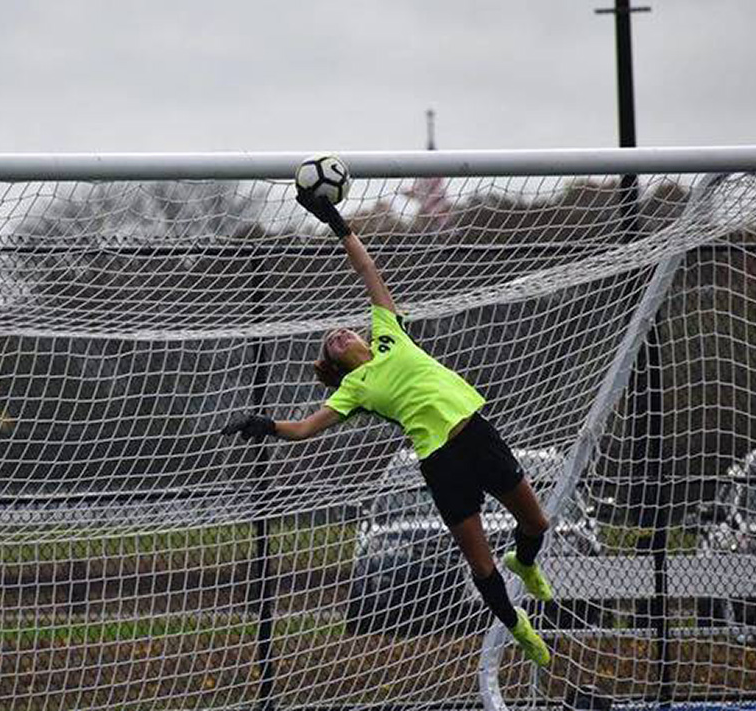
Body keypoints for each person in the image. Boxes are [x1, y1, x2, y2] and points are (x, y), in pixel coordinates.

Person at [222, 181, 554, 667]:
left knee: (536, 522)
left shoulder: (388, 334)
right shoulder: (352, 391)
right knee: (479, 564)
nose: (337, 334)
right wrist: (264, 424)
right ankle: (515, 626)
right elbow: (305, 429)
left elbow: (366, 267)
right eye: (329, 344)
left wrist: (332, 220)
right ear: (335, 367)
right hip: (440, 462)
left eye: (341, 330)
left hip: (476, 433)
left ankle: (523, 564)